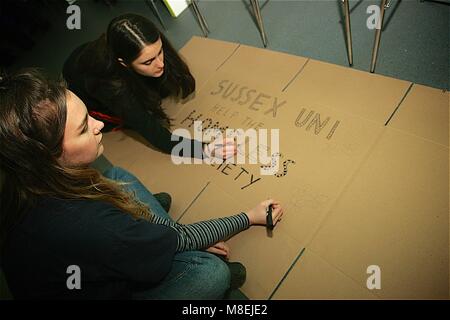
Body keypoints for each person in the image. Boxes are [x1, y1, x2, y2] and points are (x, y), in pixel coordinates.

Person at [0, 69, 284, 299]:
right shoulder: (91, 225)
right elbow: (178, 238)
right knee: (212, 273)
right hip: (107, 280)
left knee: (118, 177)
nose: (99, 124)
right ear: (49, 156)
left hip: (89, 258)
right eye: (84, 128)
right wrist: (250, 217)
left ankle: (151, 236)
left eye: (89, 116)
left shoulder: (24, 176)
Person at [63, 13, 235, 160]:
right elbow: (158, 137)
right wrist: (206, 149)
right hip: (90, 93)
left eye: (159, 51)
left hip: (93, 58)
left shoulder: (143, 46)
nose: (161, 63)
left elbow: (175, 74)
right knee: (139, 114)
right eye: (148, 61)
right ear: (124, 63)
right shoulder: (111, 87)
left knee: (162, 88)